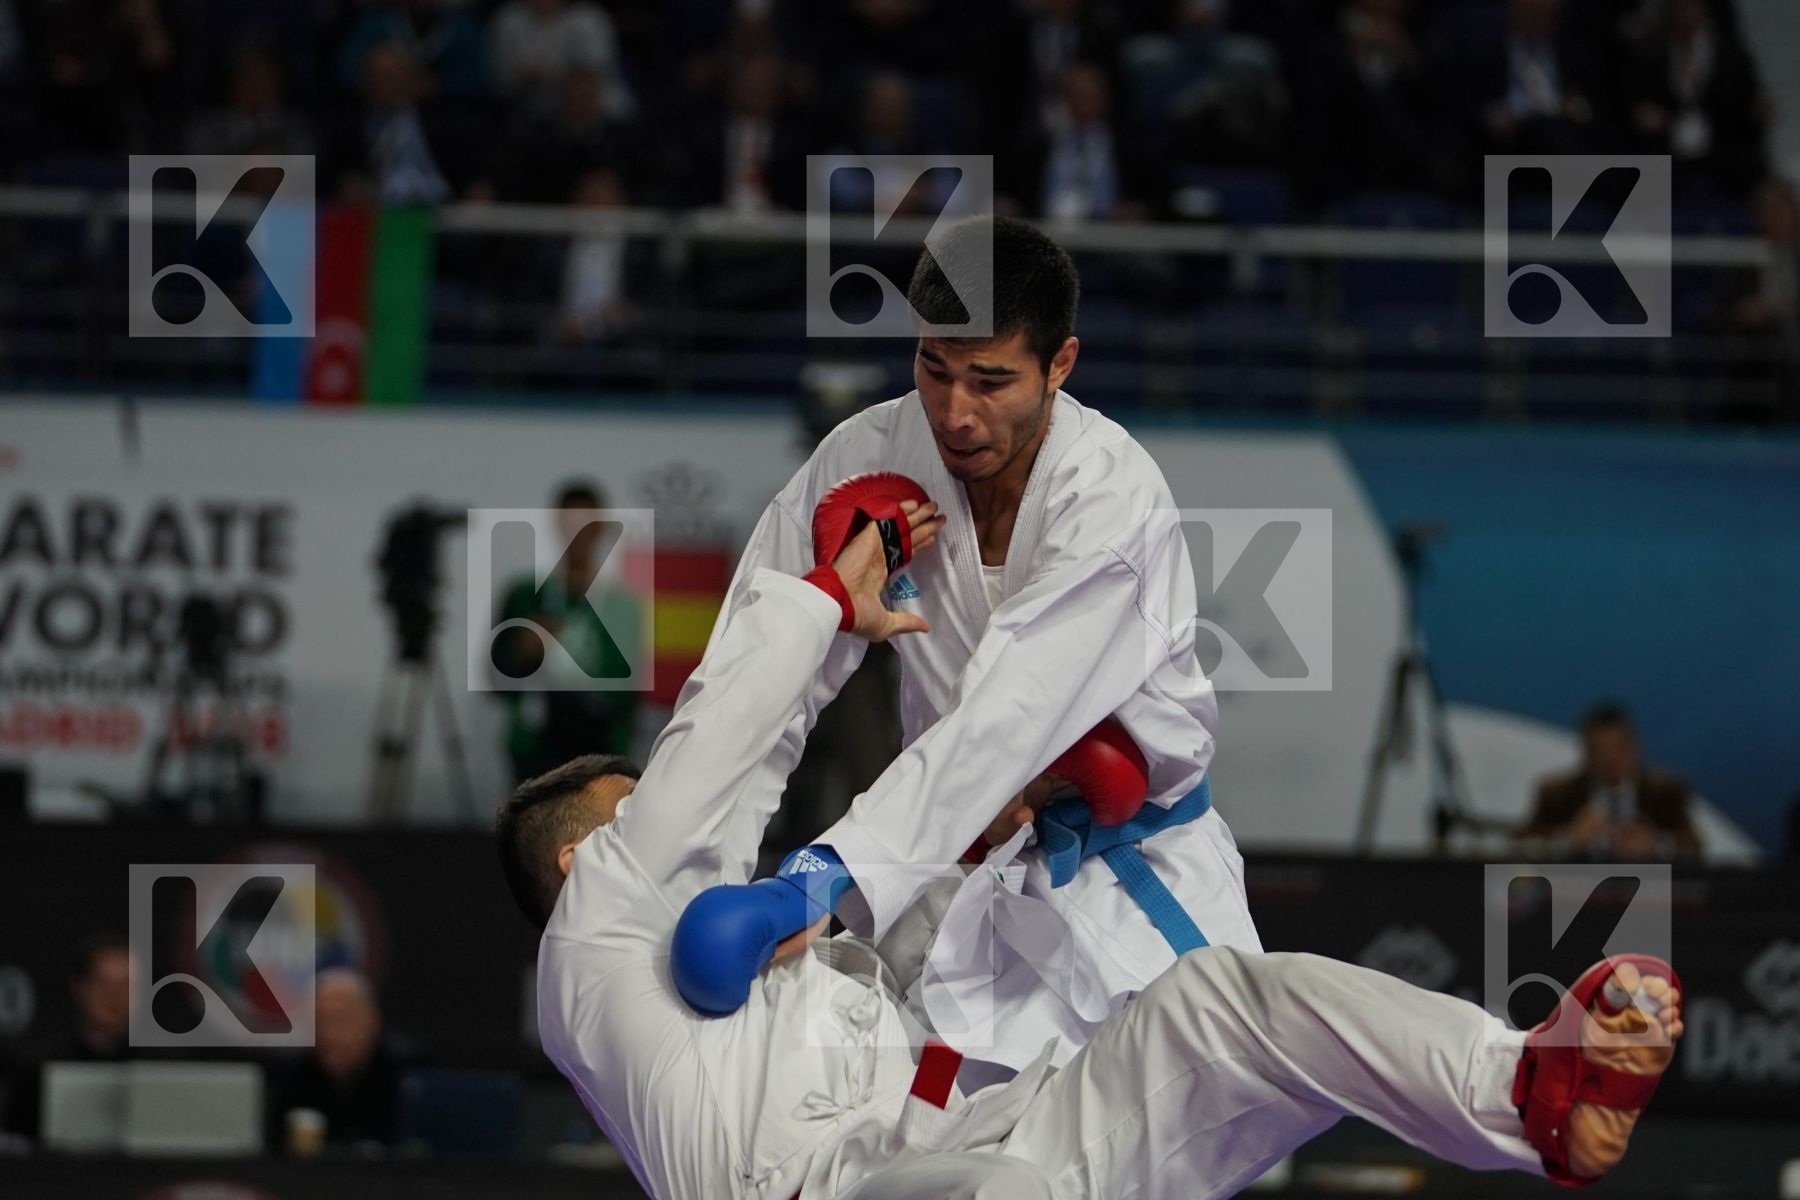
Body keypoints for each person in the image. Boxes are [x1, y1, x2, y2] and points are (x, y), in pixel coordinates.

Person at [504, 513, 1684, 1199]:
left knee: (1223, 1005)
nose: (664, 800)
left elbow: (765, 808)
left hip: (946, 1152)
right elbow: (722, 749)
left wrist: (980, 841)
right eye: (636, 797)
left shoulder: (779, 958)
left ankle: (1528, 1088)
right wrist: (817, 605)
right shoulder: (589, 947)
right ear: (583, 856)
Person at [697, 216, 1260, 1084]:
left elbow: (1013, 710)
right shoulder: (866, 458)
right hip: (952, 860)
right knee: (923, 1154)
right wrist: (710, 862)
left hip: (1129, 877)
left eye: (991, 381)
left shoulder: (1110, 497)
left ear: (1060, 364)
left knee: (1151, 1145)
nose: (955, 412)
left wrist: (822, 874)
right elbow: (758, 666)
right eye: (934, 367)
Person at [491, 480, 642, 782]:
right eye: (571, 524)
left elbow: (629, 694)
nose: (579, 536)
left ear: (601, 527)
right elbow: (498, 678)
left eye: (587, 525)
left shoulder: (622, 604)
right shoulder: (525, 595)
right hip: (536, 748)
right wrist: (523, 653)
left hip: (597, 752)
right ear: (557, 525)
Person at [1518, 701, 1702, 861]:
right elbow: (1520, 845)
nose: (1609, 759)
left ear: (1635, 747)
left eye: (1617, 748)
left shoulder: (1665, 792)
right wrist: (1566, 840)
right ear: (1586, 752)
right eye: (1600, 750)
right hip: (1575, 889)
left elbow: (1694, 848)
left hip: (1648, 890)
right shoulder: (1557, 794)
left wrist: (1658, 845)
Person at [266, 967, 418, 1151]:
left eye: (337, 1019)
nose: (327, 1034)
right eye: (317, 1021)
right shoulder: (292, 1073)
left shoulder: (408, 1071)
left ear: (371, 1020)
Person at [2, 936, 136, 1141]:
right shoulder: (40, 1065)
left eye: (126, 986)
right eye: (104, 983)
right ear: (80, 988)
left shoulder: (159, 1065)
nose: (115, 996)